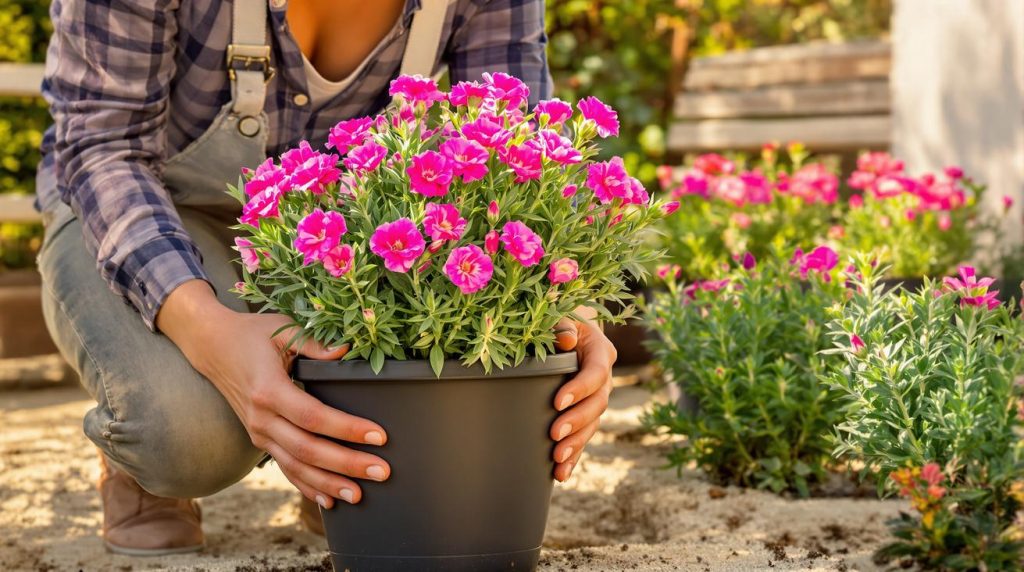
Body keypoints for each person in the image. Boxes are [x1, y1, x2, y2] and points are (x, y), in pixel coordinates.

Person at [36, 0, 618, 556]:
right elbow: (104, 150)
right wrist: (208, 332)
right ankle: (138, 461)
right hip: (140, 213)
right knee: (187, 436)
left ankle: (332, 472)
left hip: (339, 240)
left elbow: (519, 147)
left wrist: (567, 305)